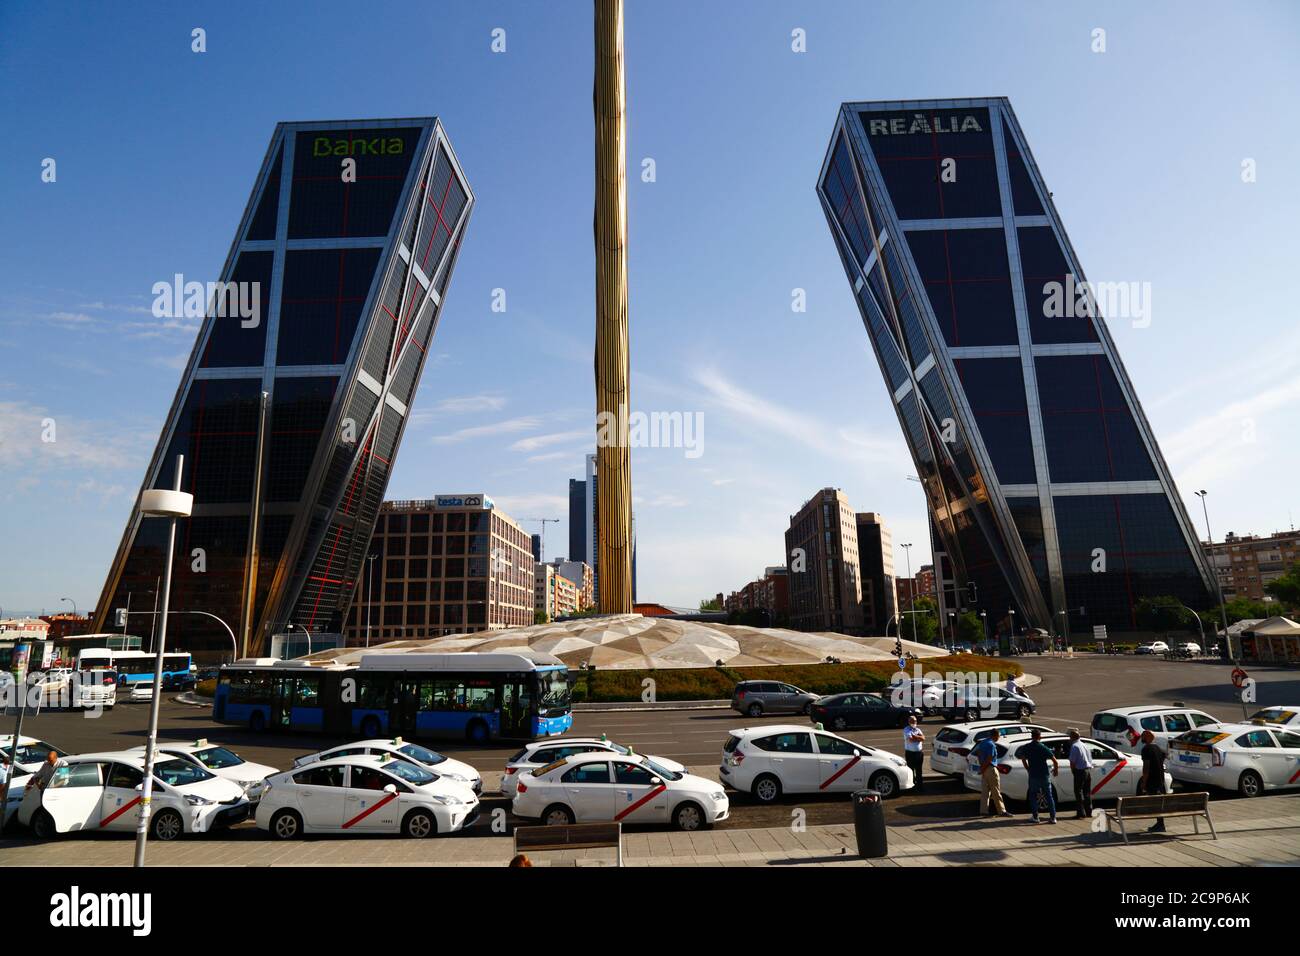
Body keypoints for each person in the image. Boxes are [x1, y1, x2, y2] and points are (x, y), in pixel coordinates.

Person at [1018, 729, 1059, 824]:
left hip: (1033, 775)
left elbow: (1023, 759)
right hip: (1044, 775)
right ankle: (1053, 817)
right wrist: (1056, 770)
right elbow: (1055, 761)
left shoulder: (1027, 747)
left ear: (1031, 736)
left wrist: (1028, 769)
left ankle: (1036, 817)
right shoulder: (1043, 747)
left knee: (1033, 796)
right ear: (1040, 736)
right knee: (1049, 796)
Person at [973, 728, 1012, 817]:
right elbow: (990, 758)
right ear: (995, 735)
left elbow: (979, 754)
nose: (999, 737)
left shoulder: (983, 743)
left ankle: (983, 811)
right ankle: (1002, 811)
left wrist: (982, 767)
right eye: (999, 735)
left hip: (984, 769)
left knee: (985, 791)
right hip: (990, 768)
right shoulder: (991, 745)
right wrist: (983, 768)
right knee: (996, 790)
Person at [1138, 730, 1168, 833]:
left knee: (1155, 803)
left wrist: (1143, 782)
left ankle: (1160, 824)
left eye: (1142, 736)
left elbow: (1146, 768)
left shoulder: (1146, 749)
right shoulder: (1158, 748)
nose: (1141, 738)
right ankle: (1160, 823)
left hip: (1152, 782)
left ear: (1147, 737)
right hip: (1160, 781)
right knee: (1159, 803)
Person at [1067, 728, 1094, 819]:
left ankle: (1081, 813)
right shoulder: (1084, 745)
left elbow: (1072, 762)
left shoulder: (1074, 746)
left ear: (1072, 737)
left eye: (1070, 737)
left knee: (1078, 792)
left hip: (1080, 771)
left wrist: (1073, 771)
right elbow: (1090, 758)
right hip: (1087, 770)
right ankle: (1089, 811)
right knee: (1087, 792)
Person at [902, 715, 925, 792]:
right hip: (910, 754)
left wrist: (916, 736)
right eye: (913, 721)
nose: (914, 722)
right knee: (911, 771)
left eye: (915, 721)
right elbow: (910, 739)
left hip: (919, 754)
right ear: (909, 722)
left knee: (919, 771)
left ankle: (920, 787)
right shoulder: (906, 729)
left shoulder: (918, 729)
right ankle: (912, 787)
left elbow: (923, 738)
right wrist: (918, 737)